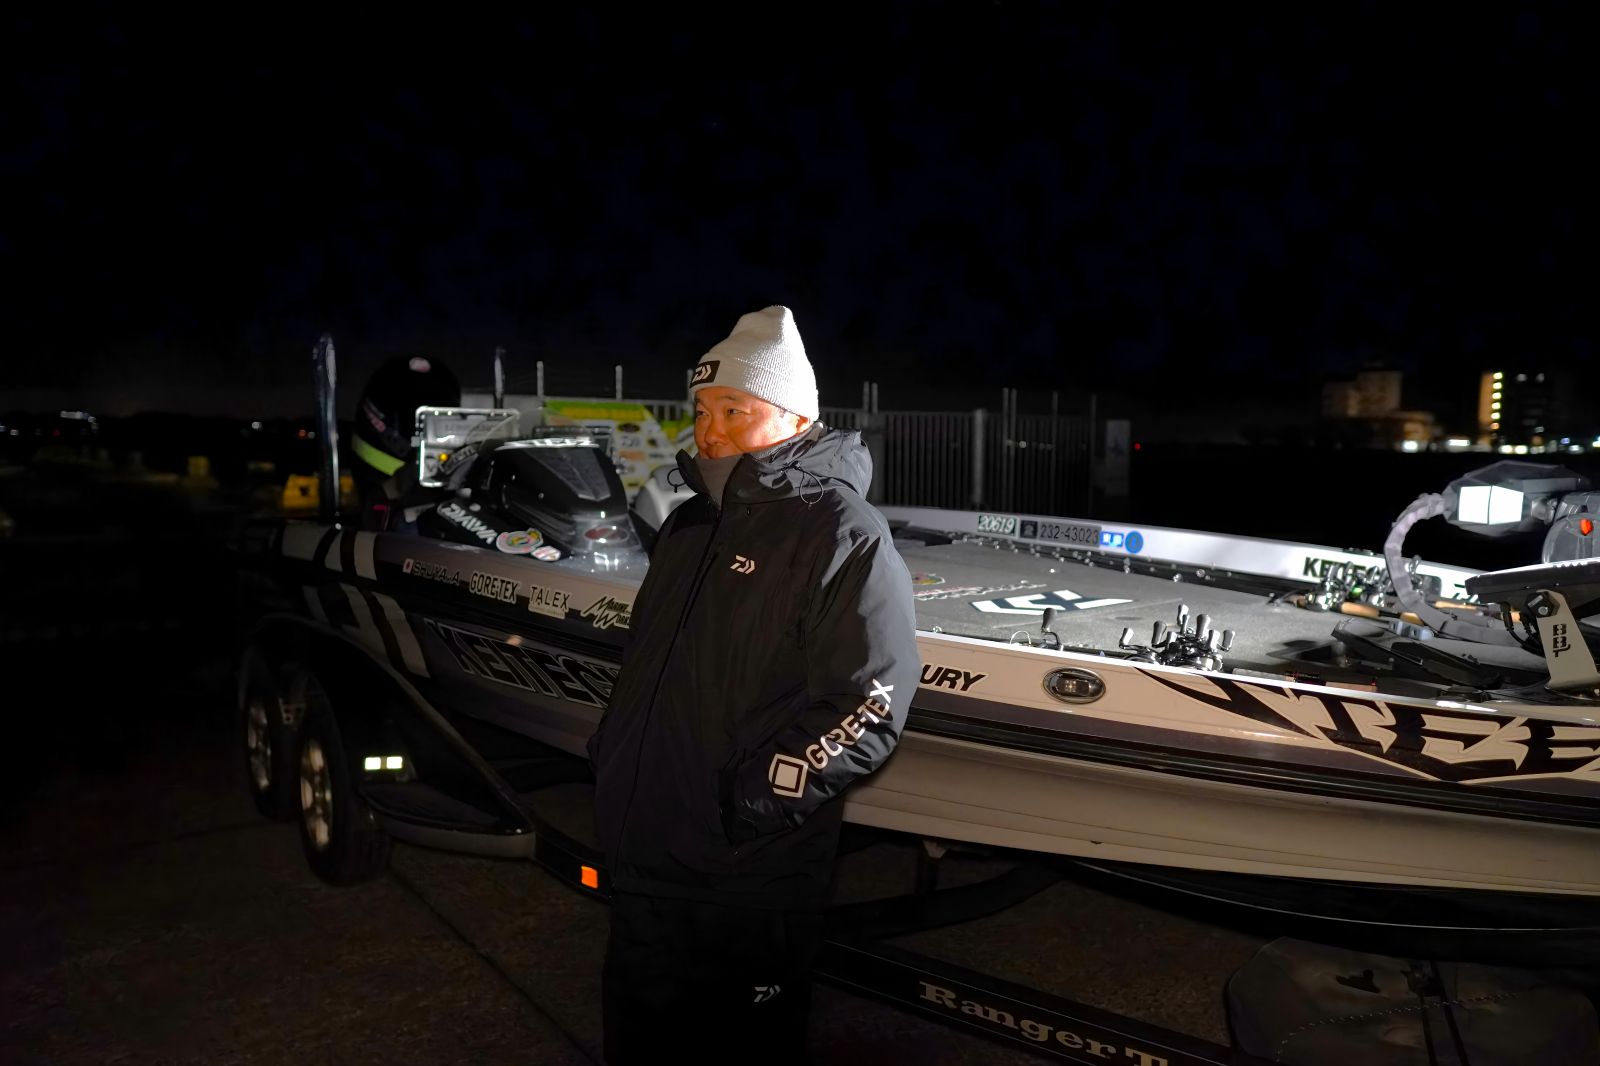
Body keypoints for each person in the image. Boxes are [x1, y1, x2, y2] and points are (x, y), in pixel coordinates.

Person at [587, 305, 920, 1064]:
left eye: (734, 410)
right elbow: (649, 668)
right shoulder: (688, 527)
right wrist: (612, 756)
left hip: (745, 877)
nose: (711, 432)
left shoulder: (842, 532)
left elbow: (869, 704)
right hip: (644, 858)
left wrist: (746, 805)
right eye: (702, 411)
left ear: (795, 416)